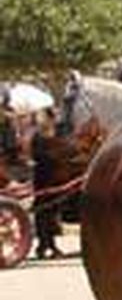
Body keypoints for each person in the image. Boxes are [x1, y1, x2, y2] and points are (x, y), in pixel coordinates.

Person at [30, 110, 63, 260]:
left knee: (49, 213)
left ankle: (48, 244)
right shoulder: (40, 137)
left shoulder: (52, 135)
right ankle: (45, 244)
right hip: (45, 179)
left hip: (50, 178)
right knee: (44, 212)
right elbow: (39, 156)